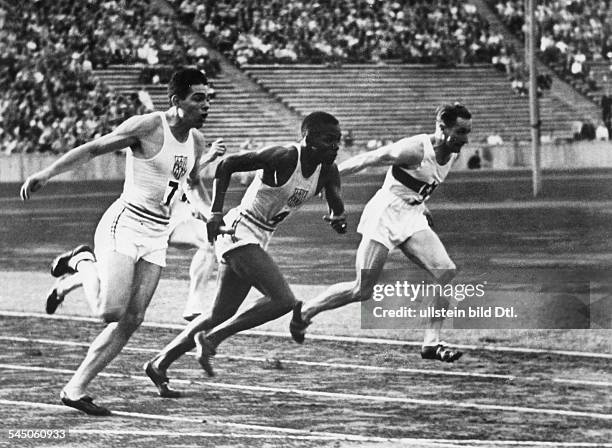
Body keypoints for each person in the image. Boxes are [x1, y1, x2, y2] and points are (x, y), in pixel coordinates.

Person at [19, 68, 226, 415]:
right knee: (109, 311)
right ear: (176, 101)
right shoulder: (147, 126)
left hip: (157, 234)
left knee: (132, 319)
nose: (206, 105)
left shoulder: (197, 142)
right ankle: (83, 262)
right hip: (125, 225)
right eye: (199, 98)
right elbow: (94, 148)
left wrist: (209, 214)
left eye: (209, 98)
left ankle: (75, 389)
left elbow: (191, 184)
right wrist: (46, 173)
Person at [143, 111, 346, 396]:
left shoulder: (328, 170)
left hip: (260, 236)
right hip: (238, 229)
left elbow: (336, 200)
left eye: (338, 141)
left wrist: (338, 217)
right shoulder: (285, 156)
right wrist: (215, 212)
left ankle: (159, 363)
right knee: (284, 300)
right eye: (328, 140)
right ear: (308, 138)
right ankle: (213, 339)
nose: (335, 146)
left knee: (220, 311)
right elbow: (227, 165)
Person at [290, 103, 472, 363]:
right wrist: (328, 177)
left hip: (411, 216)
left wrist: (423, 206)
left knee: (446, 272)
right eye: (461, 132)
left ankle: (431, 344)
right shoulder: (415, 149)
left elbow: (419, 183)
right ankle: (306, 311)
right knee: (362, 289)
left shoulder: (451, 153)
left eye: (467, 133)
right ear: (442, 128)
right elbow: (368, 159)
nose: (465, 140)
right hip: (384, 215)